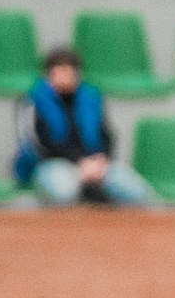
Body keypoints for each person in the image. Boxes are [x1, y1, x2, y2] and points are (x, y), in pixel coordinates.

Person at [16, 47, 152, 205]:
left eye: (69, 71)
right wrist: (78, 164)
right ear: (48, 74)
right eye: (59, 71)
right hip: (51, 164)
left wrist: (101, 161)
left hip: (95, 164)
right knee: (63, 192)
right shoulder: (32, 101)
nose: (65, 76)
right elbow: (35, 145)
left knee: (136, 191)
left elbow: (106, 135)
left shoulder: (91, 98)